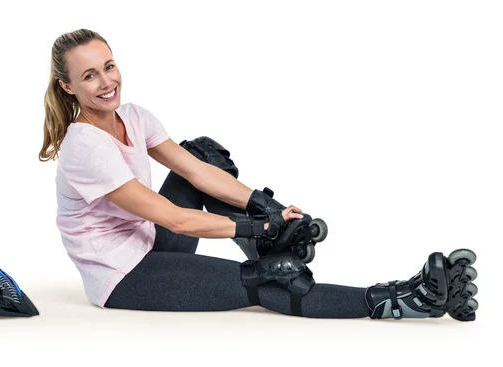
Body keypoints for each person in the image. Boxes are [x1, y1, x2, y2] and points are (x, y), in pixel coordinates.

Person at [39, 28, 479, 321]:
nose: (105, 82)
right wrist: (252, 224)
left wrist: (267, 208)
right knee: (274, 276)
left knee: (204, 154)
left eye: (109, 66)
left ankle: (270, 240)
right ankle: (402, 299)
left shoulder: (133, 116)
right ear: (68, 87)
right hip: (124, 274)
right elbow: (172, 218)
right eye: (89, 76)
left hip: (152, 243)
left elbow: (198, 173)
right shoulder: (85, 147)